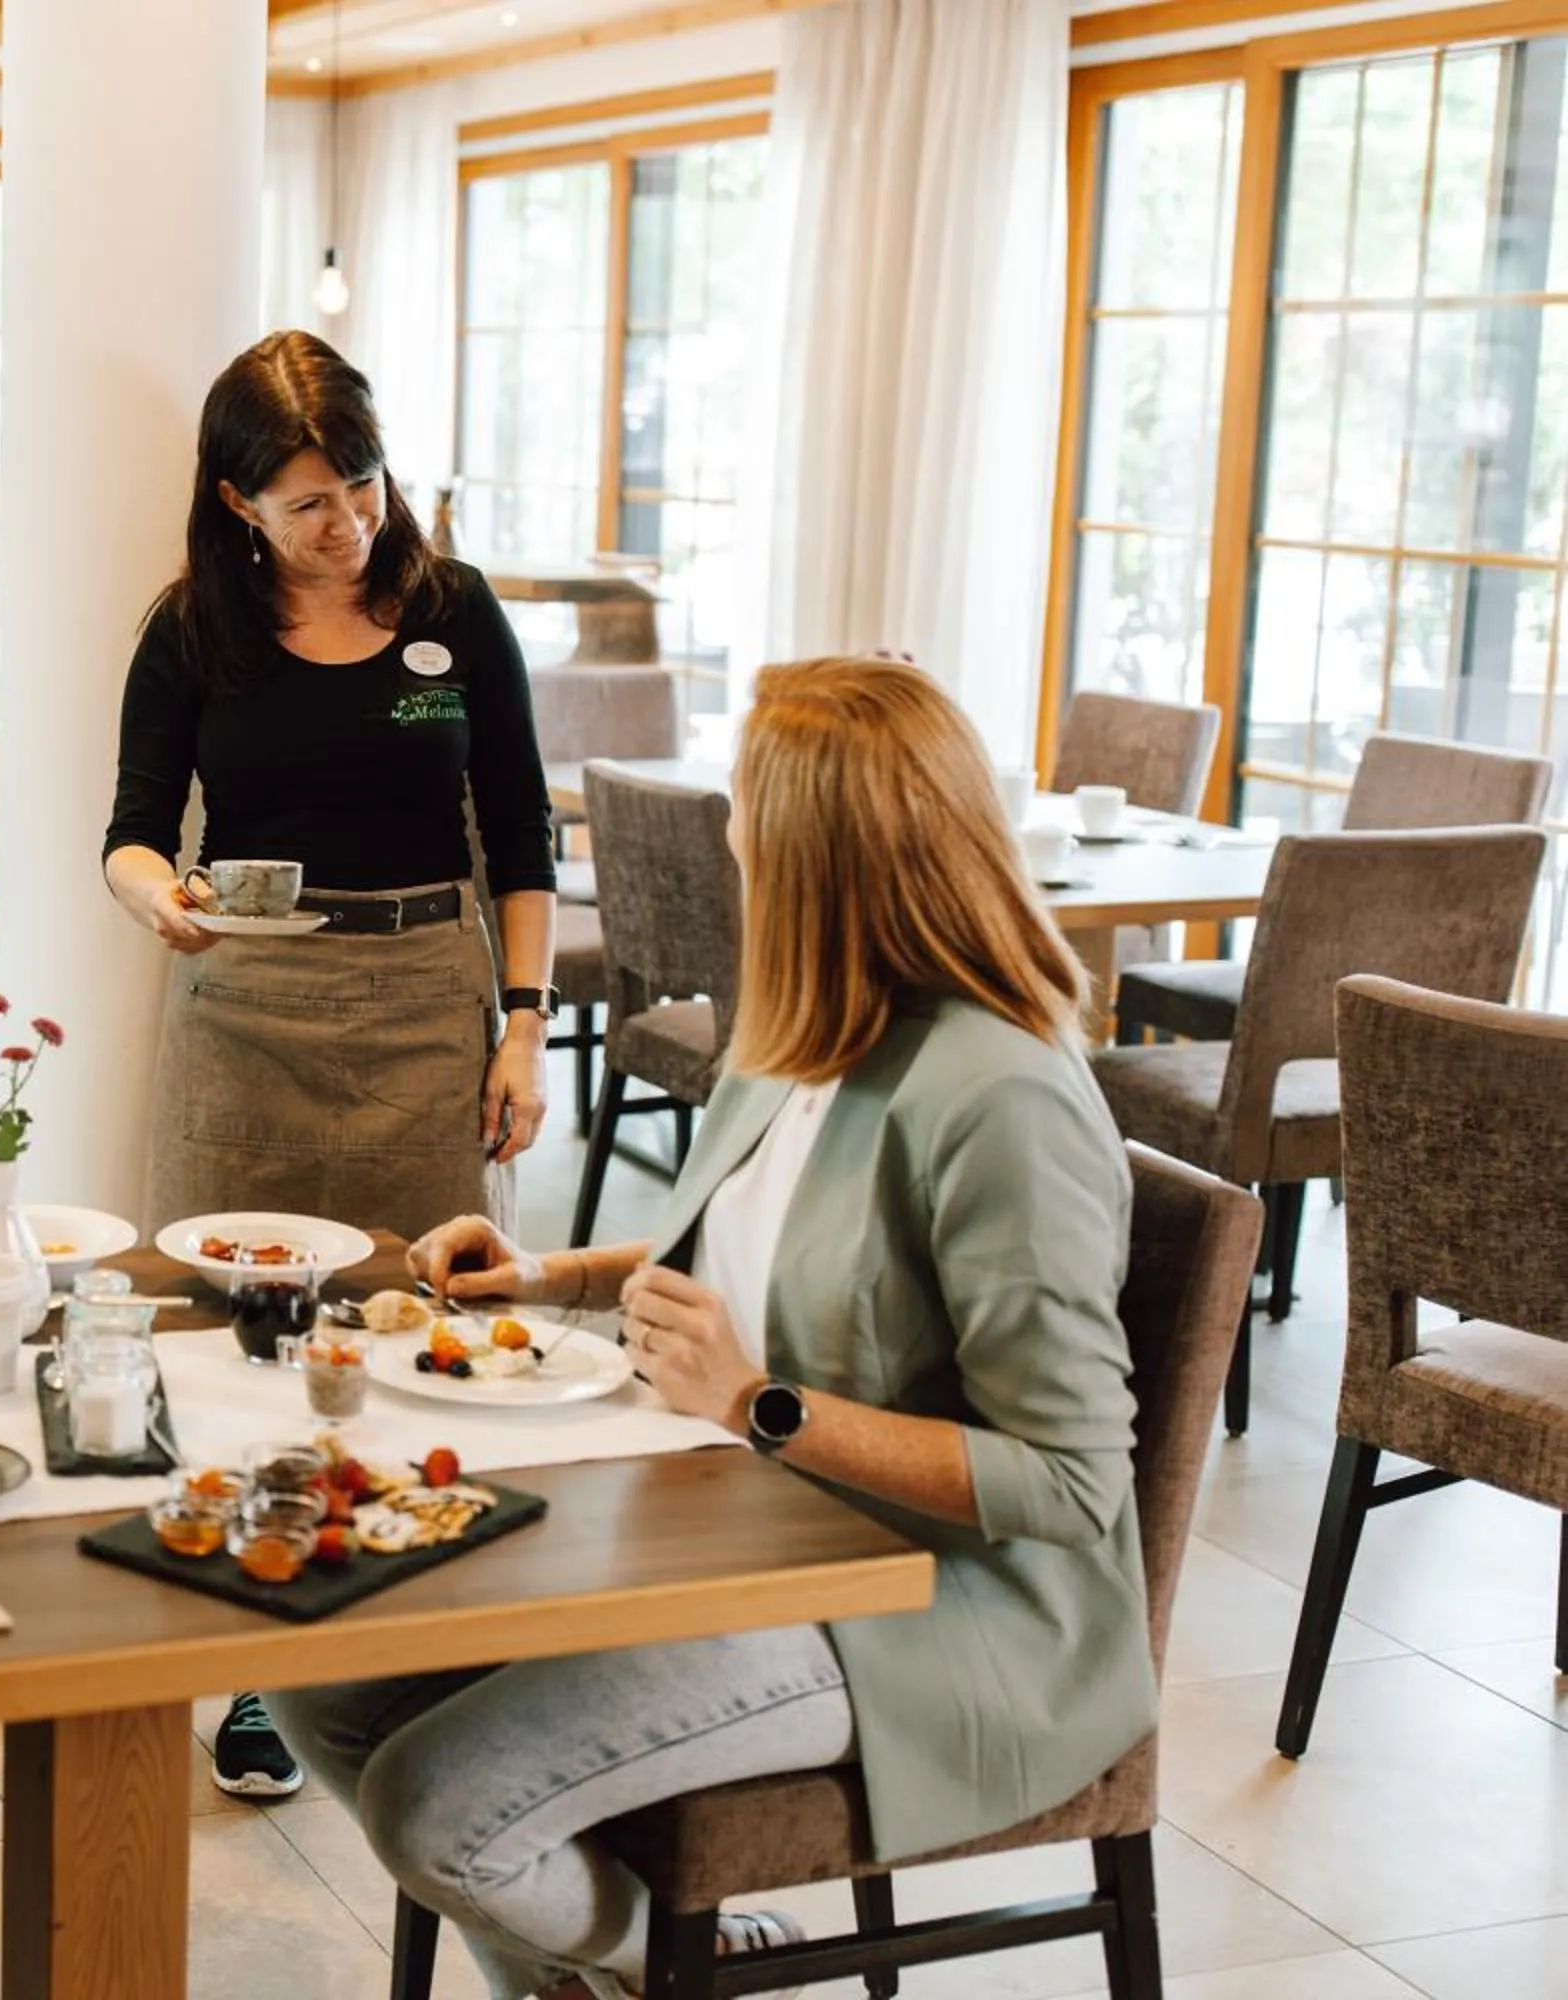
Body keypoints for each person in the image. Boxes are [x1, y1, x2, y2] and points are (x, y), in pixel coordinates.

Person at [267, 656, 1156, 2000]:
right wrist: (544, 1275)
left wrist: (760, 1407)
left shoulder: (999, 1102)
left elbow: (1073, 1485)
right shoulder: (806, 1027)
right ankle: (603, 1982)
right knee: (318, 1682)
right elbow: (739, 1264)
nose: (727, 831)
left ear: (812, 855)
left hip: (926, 1613)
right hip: (740, 1540)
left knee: (438, 1807)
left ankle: (671, 1972)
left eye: (744, 804)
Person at [101, 332, 559, 1800]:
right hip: (246, 1005)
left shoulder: (454, 614)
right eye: (305, 502)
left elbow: (526, 833)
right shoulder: (195, 630)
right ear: (237, 501)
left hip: (427, 991)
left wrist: (527, 1017)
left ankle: (414, 1631)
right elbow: (129, 821)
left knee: (416, 1307)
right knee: (232, 1322)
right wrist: (150, 898)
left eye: (358, 483)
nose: (346, 522)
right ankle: (251, 1667)